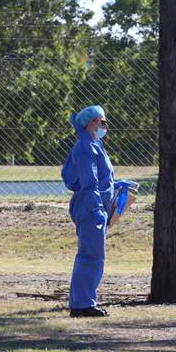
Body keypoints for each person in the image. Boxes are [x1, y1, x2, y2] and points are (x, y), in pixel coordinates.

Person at [61, 105, 114, 318]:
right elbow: (88, 180)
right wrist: (97, 205)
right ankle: (82, 305)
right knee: (90, 255)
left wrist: (116, 188)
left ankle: (84, 301)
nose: (105, 126)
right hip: (91, 205)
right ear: (90, 123)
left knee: (94, 254)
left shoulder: (95, 144)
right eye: (102, 122)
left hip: (95, 204)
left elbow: (102, 178)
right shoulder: (85, 147)